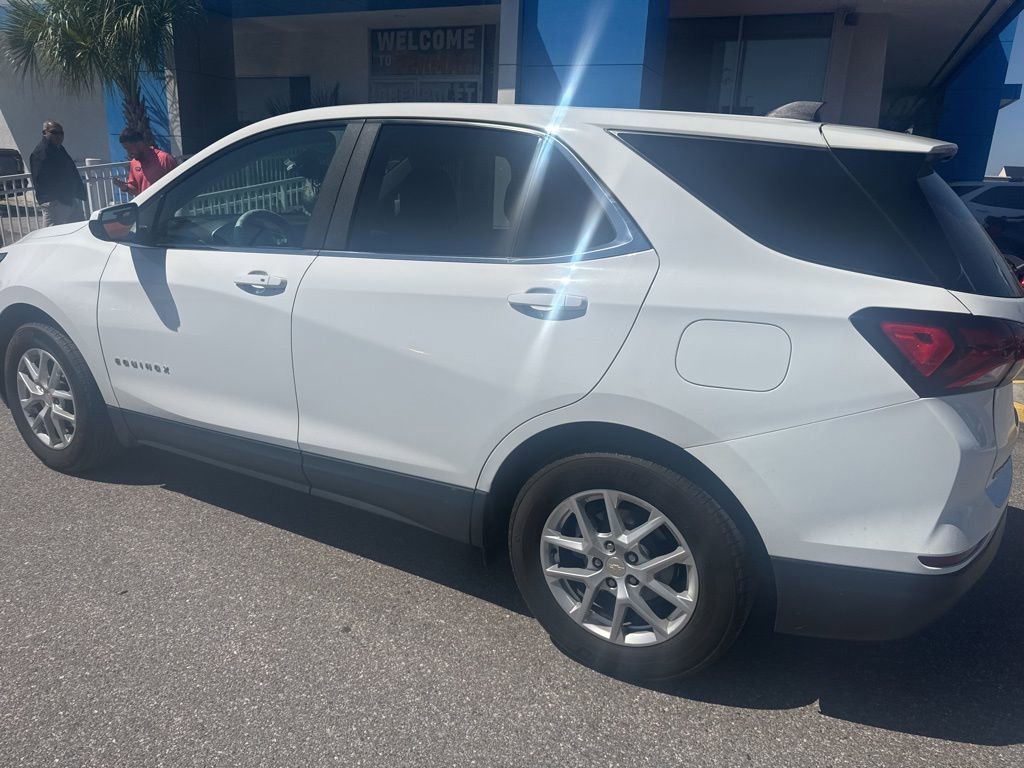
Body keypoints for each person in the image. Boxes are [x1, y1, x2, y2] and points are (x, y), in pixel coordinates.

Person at [29, 121, 86, 226]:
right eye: (54, 132)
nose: (59, 136)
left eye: (61, 133)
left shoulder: (59, 148)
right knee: (52, 234)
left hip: (69, 198)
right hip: (55, 202)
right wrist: (53, 200)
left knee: (78, 228)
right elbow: (40, 179)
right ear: (44, 133)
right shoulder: (41, 152)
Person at [114, 128, 178, 196]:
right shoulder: (134, 163)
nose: (128, 152)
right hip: (149, 206)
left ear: (140, 143)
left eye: (129, 148)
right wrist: (125, 187)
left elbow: (179, 184)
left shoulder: (164, 158)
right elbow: (135, 190)